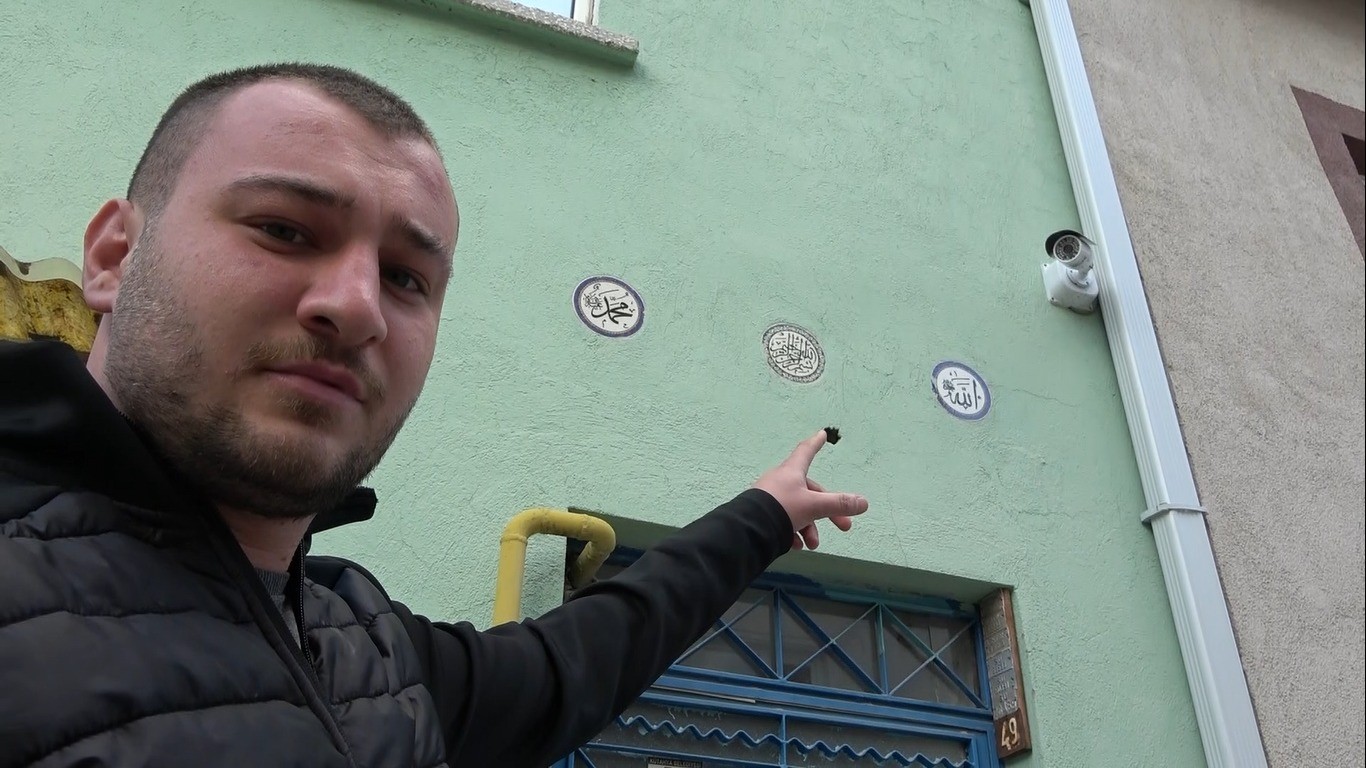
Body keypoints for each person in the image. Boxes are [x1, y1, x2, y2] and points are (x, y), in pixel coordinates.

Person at [0, 63, 868, 768]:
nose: (359, 307)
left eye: (406, 278)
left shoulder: (368, 656)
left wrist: (764, 513)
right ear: (114, 256)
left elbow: (594, 649)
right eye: (285, 230)